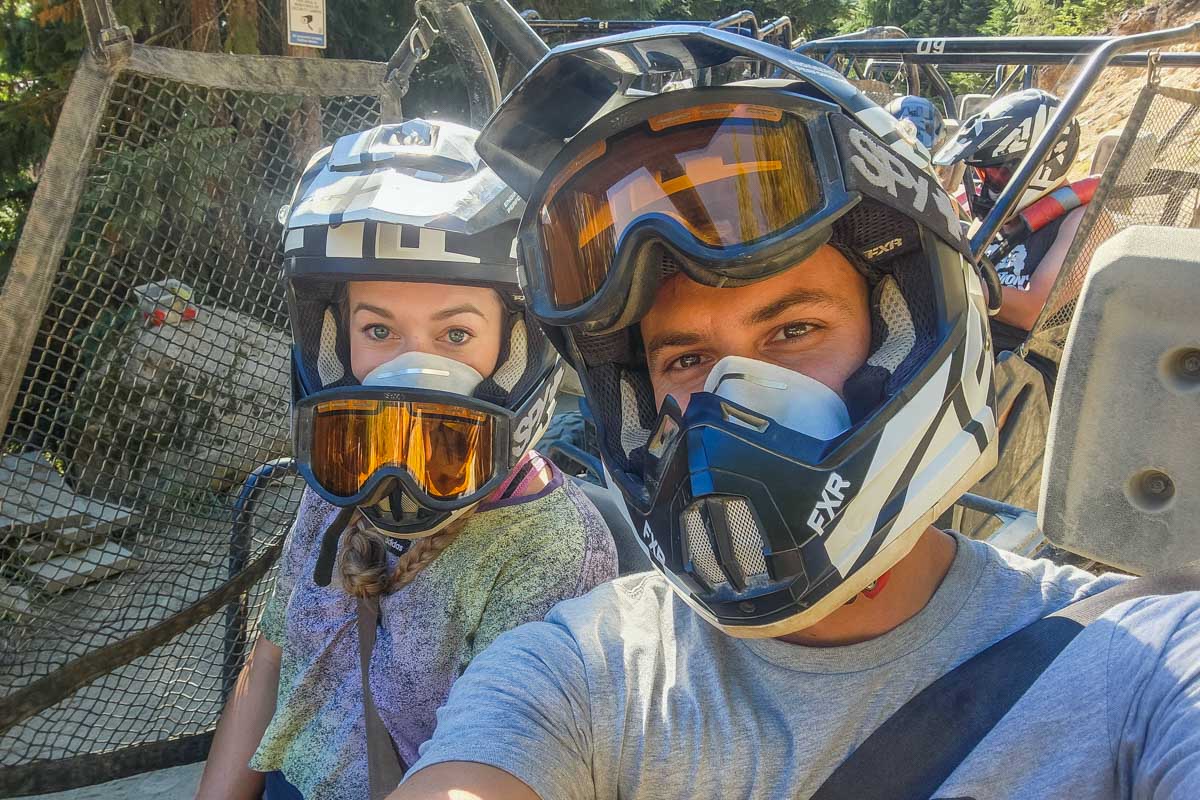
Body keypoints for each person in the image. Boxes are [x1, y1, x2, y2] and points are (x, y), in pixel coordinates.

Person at [386, 30, 1200, 800]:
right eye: (685, 359)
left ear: (908, 342)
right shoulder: (584, 668)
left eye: (793, 329)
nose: (732, 396)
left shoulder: (1137, 661)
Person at [194, 119, 617, 800]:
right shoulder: (333, 483)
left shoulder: (555, 548)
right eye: (378, 329)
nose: (411, 369)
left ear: (518, 348)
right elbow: (273, 661)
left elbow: (502, 758)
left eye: (455, 332)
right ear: (336, 343)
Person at [934, 89, 1090, 354]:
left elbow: (1034, 311)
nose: (987, 185)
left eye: (997, 172)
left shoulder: (1081, 221)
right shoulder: (1001, 215)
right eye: (982, 173)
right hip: (972, 346)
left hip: (1025, 368)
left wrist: (945, 284)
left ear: (1044, 165)